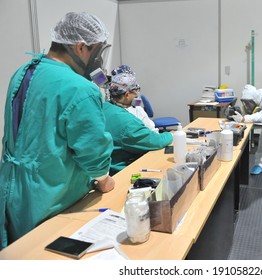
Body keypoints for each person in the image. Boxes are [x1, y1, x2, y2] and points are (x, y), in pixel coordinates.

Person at [0, 12, 116, 249]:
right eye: (97, 51)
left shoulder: (23, 72)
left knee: (20, 252)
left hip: (13, 188)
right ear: (81, 47)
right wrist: (104, 180)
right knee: (45, 255)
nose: (98, 60)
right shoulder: (80, 88)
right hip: (52, 195)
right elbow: (93, 151)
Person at [104, 72, 174, 175]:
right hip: (121, 172)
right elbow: (155, 141)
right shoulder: (127, 123)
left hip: (109, 166)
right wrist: (171, 134)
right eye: (135, 91)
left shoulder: (105, 107)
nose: (137, 95)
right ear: (127, 95)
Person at [110, 65, 158, 132]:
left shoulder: (106, 108)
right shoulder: (134, 113)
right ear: (127, 94)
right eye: (136, 90)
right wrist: (169, 135)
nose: (136, 95)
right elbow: (152, 134)